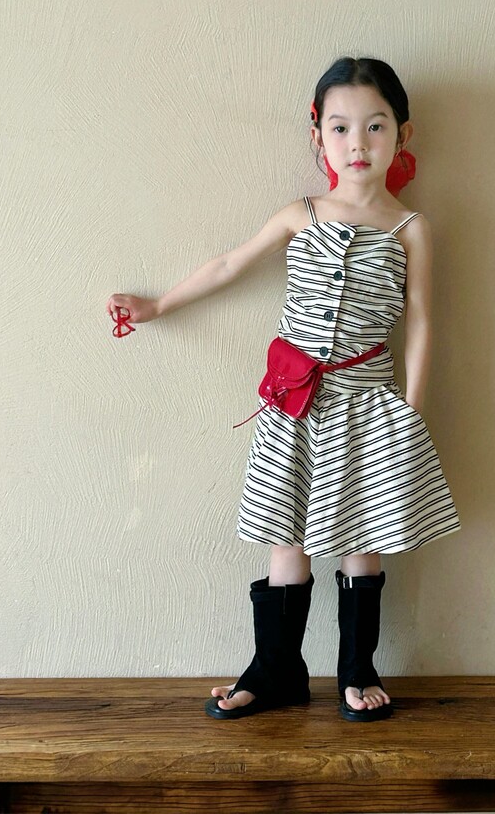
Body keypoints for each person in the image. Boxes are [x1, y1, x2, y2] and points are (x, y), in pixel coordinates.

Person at [106, 56, 461, 723]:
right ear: (317, 135)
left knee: (363, 536)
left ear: (402, 136)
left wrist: (411, 410)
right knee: (285, 532)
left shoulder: (411, 229)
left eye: (376, 126)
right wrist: (158, 306)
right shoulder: (301, 214)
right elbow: (229, 264)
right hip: (293, 404)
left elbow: (420, 320)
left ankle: (356, 669)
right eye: (341, 127)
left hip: (370, 406)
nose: (358, 143)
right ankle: (276, 670)